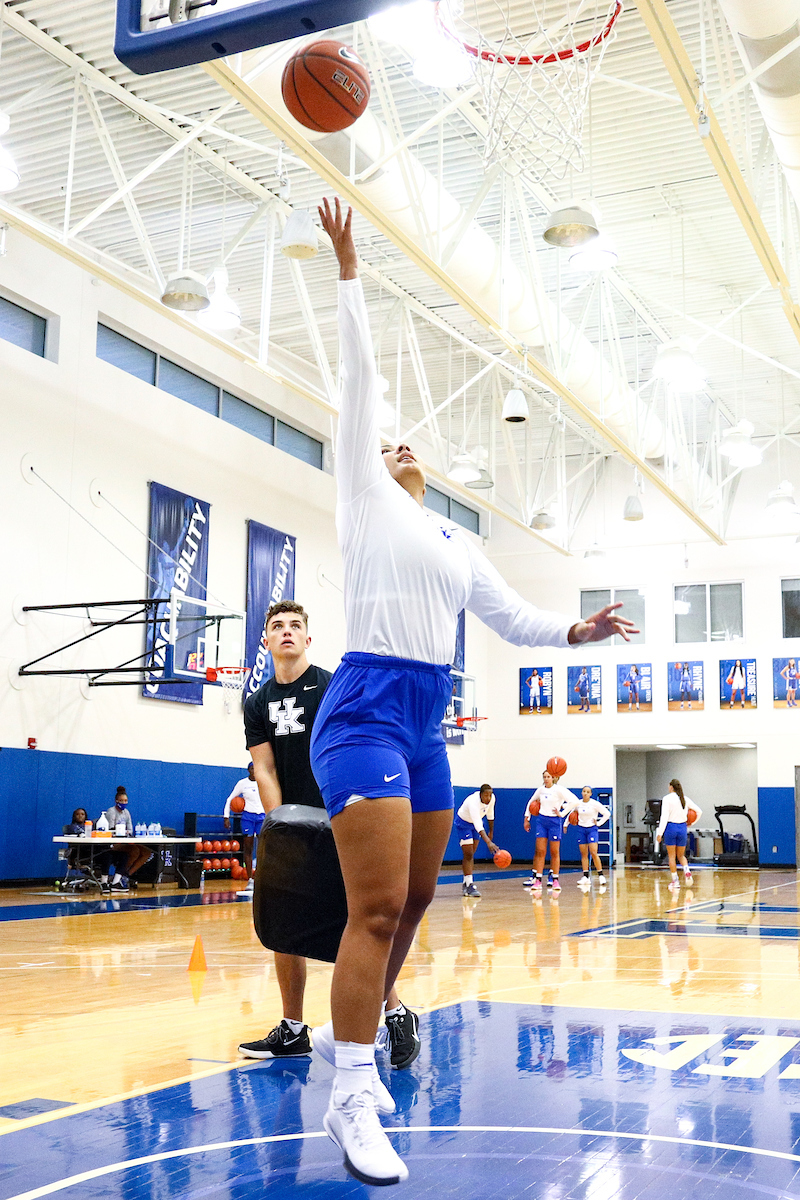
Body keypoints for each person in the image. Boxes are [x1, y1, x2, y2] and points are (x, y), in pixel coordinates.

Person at [309, 196, 636, 1188]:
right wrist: (351, 270)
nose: (400, 446)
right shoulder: (362, 496)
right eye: (389, 441)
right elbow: (362, 382)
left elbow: (511, 619)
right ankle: (353, 1095)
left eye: (413, 446)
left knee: (411, 902)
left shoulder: (455, 542)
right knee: (369, 912)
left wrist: (576, 631)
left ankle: (352, 1031)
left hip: (426, 719)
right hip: (364, 706)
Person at [238, 600, 417, 1069]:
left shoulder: (331, 684)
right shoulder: (257, 702)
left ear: (308, 638)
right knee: (283, 923)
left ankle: (395, 1012)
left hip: (342, 814)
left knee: (355, 921)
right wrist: (280, 827)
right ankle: (293, 1028)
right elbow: (264, 766)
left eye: (296, 625)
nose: (287, 632)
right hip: (293, 825)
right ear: (267, 641)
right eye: (277, 626)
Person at [523, 770, 574, 895]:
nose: (546, 779)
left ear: (553, 778)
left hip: (555, 822)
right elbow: (531, 802)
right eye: (544, 777)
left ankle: (555, 879)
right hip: (542, 821)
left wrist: (562, 813)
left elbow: (574, 801)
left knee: (554, 852)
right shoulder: (540, 790)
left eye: (548, 777)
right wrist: (527, 818)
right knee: (540, 851)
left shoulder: (559, 790)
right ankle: (538, 880)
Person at [98, 788, 152, 892]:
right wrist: (121, 832)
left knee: (146, 852)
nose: (124, 803)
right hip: (112, 842)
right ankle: (119, 875)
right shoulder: (111, 811)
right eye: (121, 801)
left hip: (125, 840)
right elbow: (110, 830)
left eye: (126, 801)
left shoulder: (126, 812)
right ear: (116, 801)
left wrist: (127, 833)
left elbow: (130, 829)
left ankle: (126, 875)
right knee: (134, 851)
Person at [223, 762, 263, 899]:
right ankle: (250, 880)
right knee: (248, 847)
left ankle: (262, 878)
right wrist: (226, 817)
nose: (254, 771)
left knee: (263, 848)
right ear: (248, 770)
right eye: (252, 768)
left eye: (256, 768)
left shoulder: (263, 781)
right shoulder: (242, 783)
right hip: (248, 817)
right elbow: (229, 799)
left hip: (262, 817)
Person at [453, 785, 499, 897]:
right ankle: (469, 885)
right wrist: (488, 842)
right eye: (486, 795)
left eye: (490, 795)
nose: (488, 798)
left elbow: (490, 814)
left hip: (475, 824)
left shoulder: (492, 799)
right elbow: (478, 823)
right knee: (468, 854)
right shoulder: (473, 802)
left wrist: (491, 831)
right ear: (480, 794)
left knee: (471, 853)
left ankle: (466, 882)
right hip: (464, 824)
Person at [656, 778, 701, 889]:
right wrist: (691, 823)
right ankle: (687, 871)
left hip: (671, 827)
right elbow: (699, 811)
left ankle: (675, 881)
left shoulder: (667, 799)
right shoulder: (684, 799)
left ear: (671, 787)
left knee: (672, 856)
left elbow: (664, 817)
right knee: (681, 855)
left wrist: (660, 833)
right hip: (682, 828)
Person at [561, 786, 610, 888]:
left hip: (592, 829)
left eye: (588, 792)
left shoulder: (595, 804)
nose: (585, 793)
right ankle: (586, 877)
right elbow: (571, 813)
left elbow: (607, 813)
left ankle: (600, 875)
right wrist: (565, 825)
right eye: (584, 791)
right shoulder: (578, 804)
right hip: (581, 829)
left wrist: (599, 823)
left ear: (591, 794)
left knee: (593, 852)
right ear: (582, 793)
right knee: (584, 854)